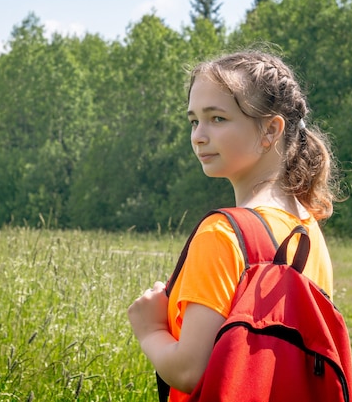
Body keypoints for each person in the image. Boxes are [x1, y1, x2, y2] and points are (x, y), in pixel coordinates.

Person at [127, 49, 340, 402]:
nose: (198, 136)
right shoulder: (307, 229)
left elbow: (188, 371)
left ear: (271, 130)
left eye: (218, 119)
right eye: (194, 120)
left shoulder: (222, 235)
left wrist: (149, 330)